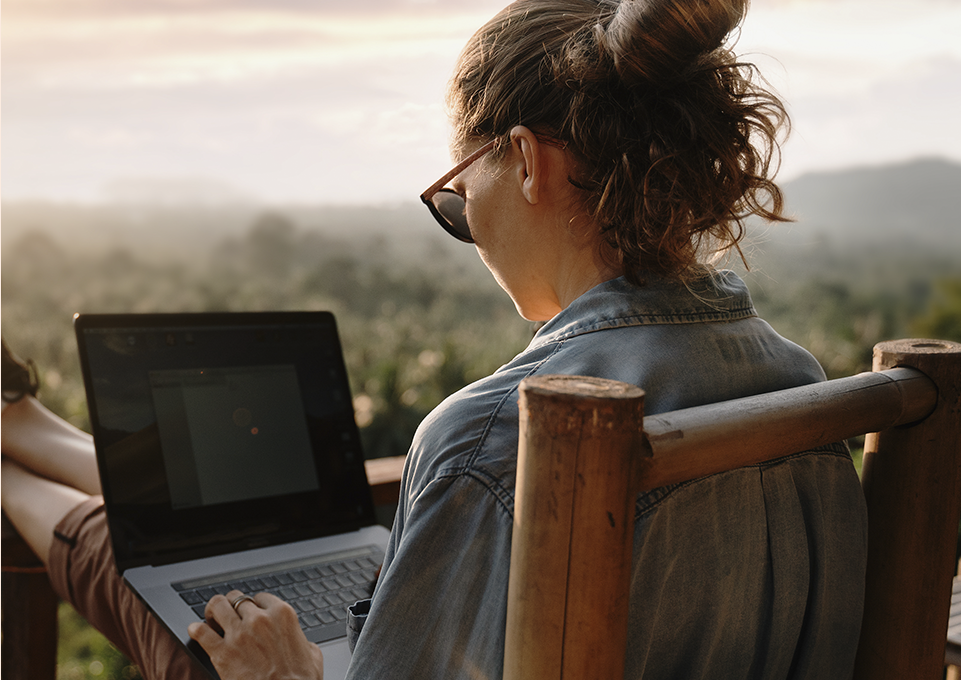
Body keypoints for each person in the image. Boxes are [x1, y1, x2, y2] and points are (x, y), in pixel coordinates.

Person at [1, 0, 868, 677]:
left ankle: (11, 455)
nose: (468, 228)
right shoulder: (800, 386)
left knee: (165, 590)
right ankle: (23, 435)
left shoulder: (496, 437)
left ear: (526, 161)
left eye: (456, 198)